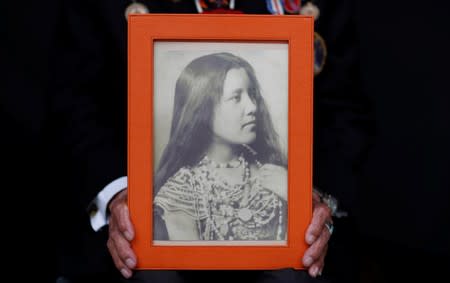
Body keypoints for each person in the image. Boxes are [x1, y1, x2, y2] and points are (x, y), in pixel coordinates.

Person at [152, 52, 288, 242]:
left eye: (252, 94)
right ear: (202, 109)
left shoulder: (275, 171)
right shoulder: (182, 192)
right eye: (236, 98)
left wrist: (295, 195)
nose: (252, 107)